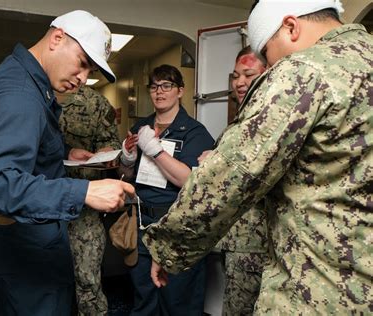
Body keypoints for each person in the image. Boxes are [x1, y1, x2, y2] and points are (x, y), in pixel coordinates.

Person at [143, 1, 372, 314]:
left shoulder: (305, 69)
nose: (271, 64)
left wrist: (168, 246)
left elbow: (231, 176)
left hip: (320, 289)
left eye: (267, 55)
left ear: (291, 27)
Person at [0, 10, 135, 315]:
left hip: (24, 241)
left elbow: (24, 157)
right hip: (25, 247)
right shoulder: (20, 94)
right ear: (57, 38)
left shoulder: (30, 84)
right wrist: (84, 192)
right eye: (83, 63)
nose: (83, 78)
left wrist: (62, 154)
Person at [119, 64, 214, 315]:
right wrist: (127, 159)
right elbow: (128, 176)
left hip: (176, 223)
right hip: (142, 222)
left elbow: (189, 181)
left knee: (178, 300)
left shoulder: (195, 132)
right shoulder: (142, 127)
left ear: (180, 91)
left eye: (167, 86)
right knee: (144, 297)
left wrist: (155, 150)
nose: (159, 91)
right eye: (154, 86)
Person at [198, 46, 269, 315]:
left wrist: (217, 165)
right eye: (235, 75)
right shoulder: (238, 124)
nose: (239, 82)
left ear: (269, 73)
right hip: (238, 242)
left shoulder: (271, 121)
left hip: (257, 244)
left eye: (248, 74)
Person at [59, 85, 121, 315]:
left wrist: (106, 152)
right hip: (39, 207)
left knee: (88, 282)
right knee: (44, 283)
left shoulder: (96, 103)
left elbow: (113, 142)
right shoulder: (33, 95)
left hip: (84, 210)